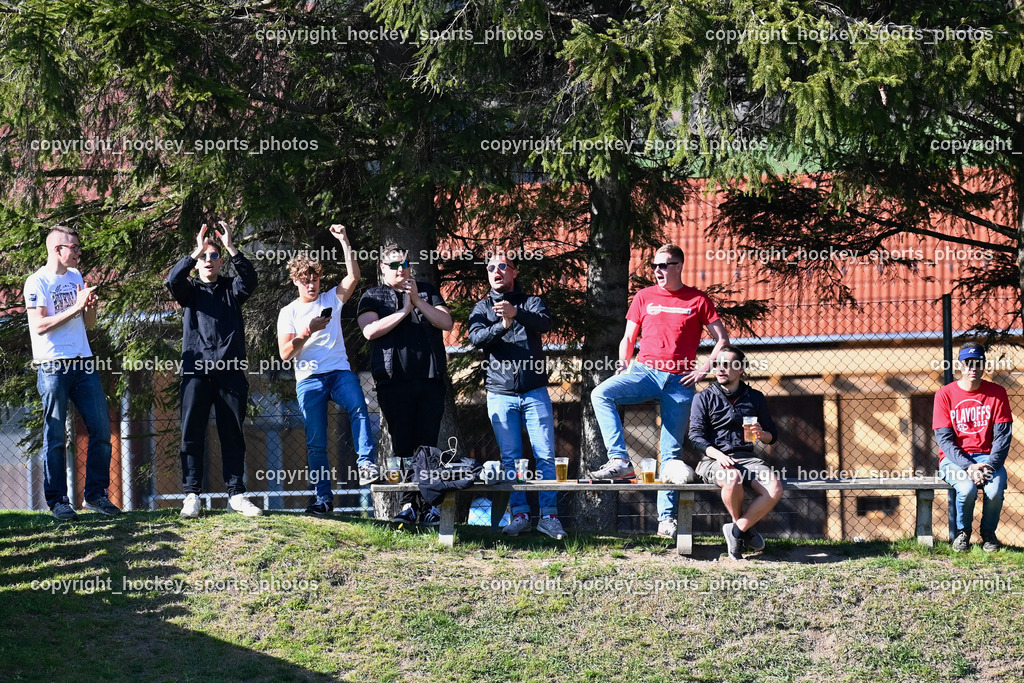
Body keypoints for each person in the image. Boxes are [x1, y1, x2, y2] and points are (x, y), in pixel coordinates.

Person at [589, 244, 729, 539]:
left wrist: (703, 370)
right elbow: (629, 336)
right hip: (644, 372)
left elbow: (722, 339)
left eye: (664, 265)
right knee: (601, 394)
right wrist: (624, 363)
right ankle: (620, 461)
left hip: (680, 381)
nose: (657, 271)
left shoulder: (697, 299)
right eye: (654, 266)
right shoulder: (644, 297)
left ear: (679, 266)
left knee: (671, 453)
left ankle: (666, 520)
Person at [278, 225, 378, 516]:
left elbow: (354, 277)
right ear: (296, 281)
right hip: (309, 379)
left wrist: (345, 240)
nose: (313, 285)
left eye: (316, 279)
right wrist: (308, 331)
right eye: (306, 281)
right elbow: (285, 353)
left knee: (358, 404)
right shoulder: (289, 312)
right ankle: (323, 499)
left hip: (338, 371)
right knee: (316, 442)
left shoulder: (331, 299)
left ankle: (366, 463)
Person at [166, 221, 262, 517]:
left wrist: (231, 246)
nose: (208, 261)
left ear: (221, 261)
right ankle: (192, 495)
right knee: (191, 434)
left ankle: (237, 494)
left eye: (214, 256)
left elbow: (250, 279)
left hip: (230, 372)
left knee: (232, 433)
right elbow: (172, 280)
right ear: (197, 263)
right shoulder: (189, 291)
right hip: (195, 373)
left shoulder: (232, 288)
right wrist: (195, 250)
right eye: (204, 257)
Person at [468, 253, 566, 540]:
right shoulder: (482, 307)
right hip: (500, 394)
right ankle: (520, 514)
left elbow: (545, 323)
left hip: (534, 391)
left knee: (545, 455)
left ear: (514, 272)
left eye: (502, 266)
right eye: (490, 268)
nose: (496, 271)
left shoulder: (531, 302)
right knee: (511, 459)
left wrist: (516, 313)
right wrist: (501, 326)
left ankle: (549, 517)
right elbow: (475, 338)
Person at [26, 226, 119, 520]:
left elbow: (89, 323)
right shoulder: (36, 282)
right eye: (75, 247)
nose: (79, 252)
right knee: (55, 435)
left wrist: (89, 307)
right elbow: (38, 325)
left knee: (102, 429)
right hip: (53, 365)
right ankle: (58, 502)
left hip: (83, 363)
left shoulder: (77, 277)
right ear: (57, 249)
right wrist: (76, 306)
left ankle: (95, 495)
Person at [357, 245, 453, 526]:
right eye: (395, 264)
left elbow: (446, 322)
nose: (402, 268)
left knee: (428, 446)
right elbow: (370, 331)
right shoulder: (372, 295)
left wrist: (418, 302)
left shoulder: (426, 290)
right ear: (383, 269)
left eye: (406, 263)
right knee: (403, 447)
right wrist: (404, 310)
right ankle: (409, 505)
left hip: (430, 380)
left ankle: (429, 506)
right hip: (394, 382)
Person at [689, 345, 782, 559]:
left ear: (741, 369)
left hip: (747, 458)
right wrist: (718, 455)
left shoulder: (755, 397)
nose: (720, 369)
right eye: (717, 365)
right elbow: (695, 437)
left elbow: (772, 435)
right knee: (732, 477)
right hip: (712, 459)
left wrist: (761, 434)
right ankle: (744, 531)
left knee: (775, 487)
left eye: (727, 365)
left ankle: (736, 530)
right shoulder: (702, 398)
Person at [933, 342, 1013, 552]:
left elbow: (1002, 437)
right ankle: (963, 533)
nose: (973, 368)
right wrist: (968, 467)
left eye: (978, 364)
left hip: (987, 459)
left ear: (984, 366)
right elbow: (944, 440)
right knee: (967, 489)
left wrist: (989, 466)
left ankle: (988, 535)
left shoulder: (997, 393)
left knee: (995, 490)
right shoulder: (944, 394)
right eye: (968, 364)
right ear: (959, 365)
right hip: (954, 461)